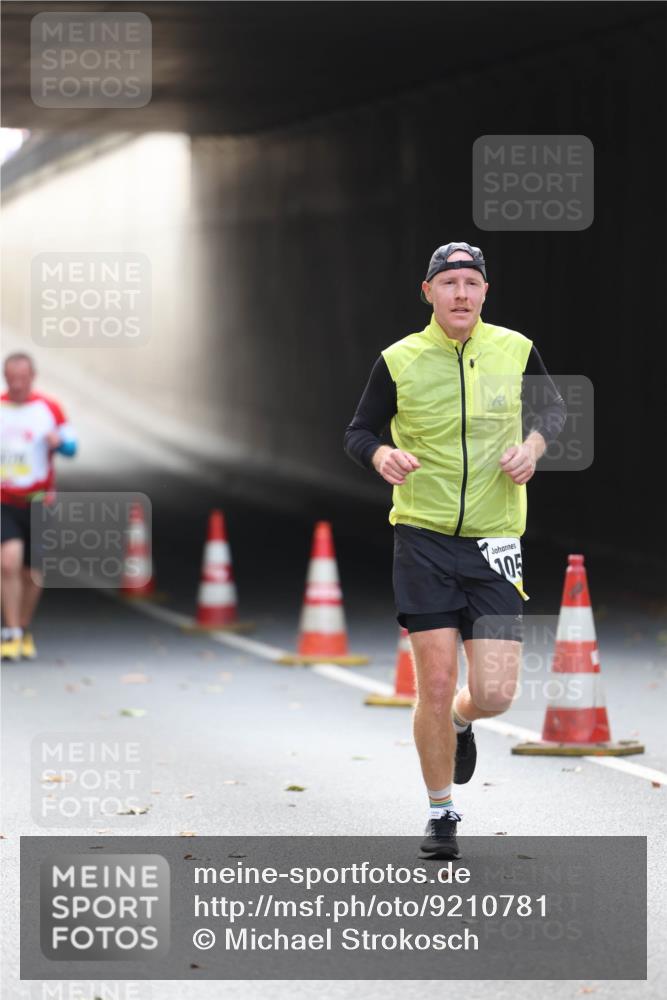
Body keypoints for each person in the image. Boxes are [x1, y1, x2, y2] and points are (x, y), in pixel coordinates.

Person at [344, 242, 566, 859]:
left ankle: (465, 722)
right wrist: (381, 455)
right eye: (449, 283)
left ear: (485, 292)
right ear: (429, 293)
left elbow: (553, 410)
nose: (461, 293)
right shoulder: (399, 360)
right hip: (423, 538)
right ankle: (441, 812)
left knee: (494, 692)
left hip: (496, 541)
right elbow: (358, 432)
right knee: (435, 683)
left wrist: (533, 448)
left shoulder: (515, 348)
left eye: (471, 282)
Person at [1, 352, 77, 661]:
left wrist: (59, 442)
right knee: (8, 563)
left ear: (33, 377)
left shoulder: (50, 409)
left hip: (38, 501)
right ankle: (10, 631)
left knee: (32, 573)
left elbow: (73, 446)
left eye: (23, 378)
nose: (17, 384)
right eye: (11, 378)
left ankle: (24, 626)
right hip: (4, 499)